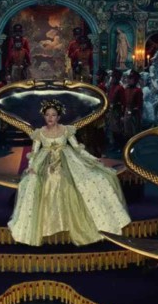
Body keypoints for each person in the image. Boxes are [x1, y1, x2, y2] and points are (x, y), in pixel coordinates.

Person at [8, 99, 131, 246]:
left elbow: (77, 148)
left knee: (92, 180)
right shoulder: (39, 133)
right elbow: (34, 153)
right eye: (47, 115)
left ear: (59, 117)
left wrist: (92, 158)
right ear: (44, 116)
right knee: (34, 182)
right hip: (45, 162)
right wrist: (31, 166)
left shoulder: (66, 130)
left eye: (53, 115)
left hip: (68, 159)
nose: (50, 118)